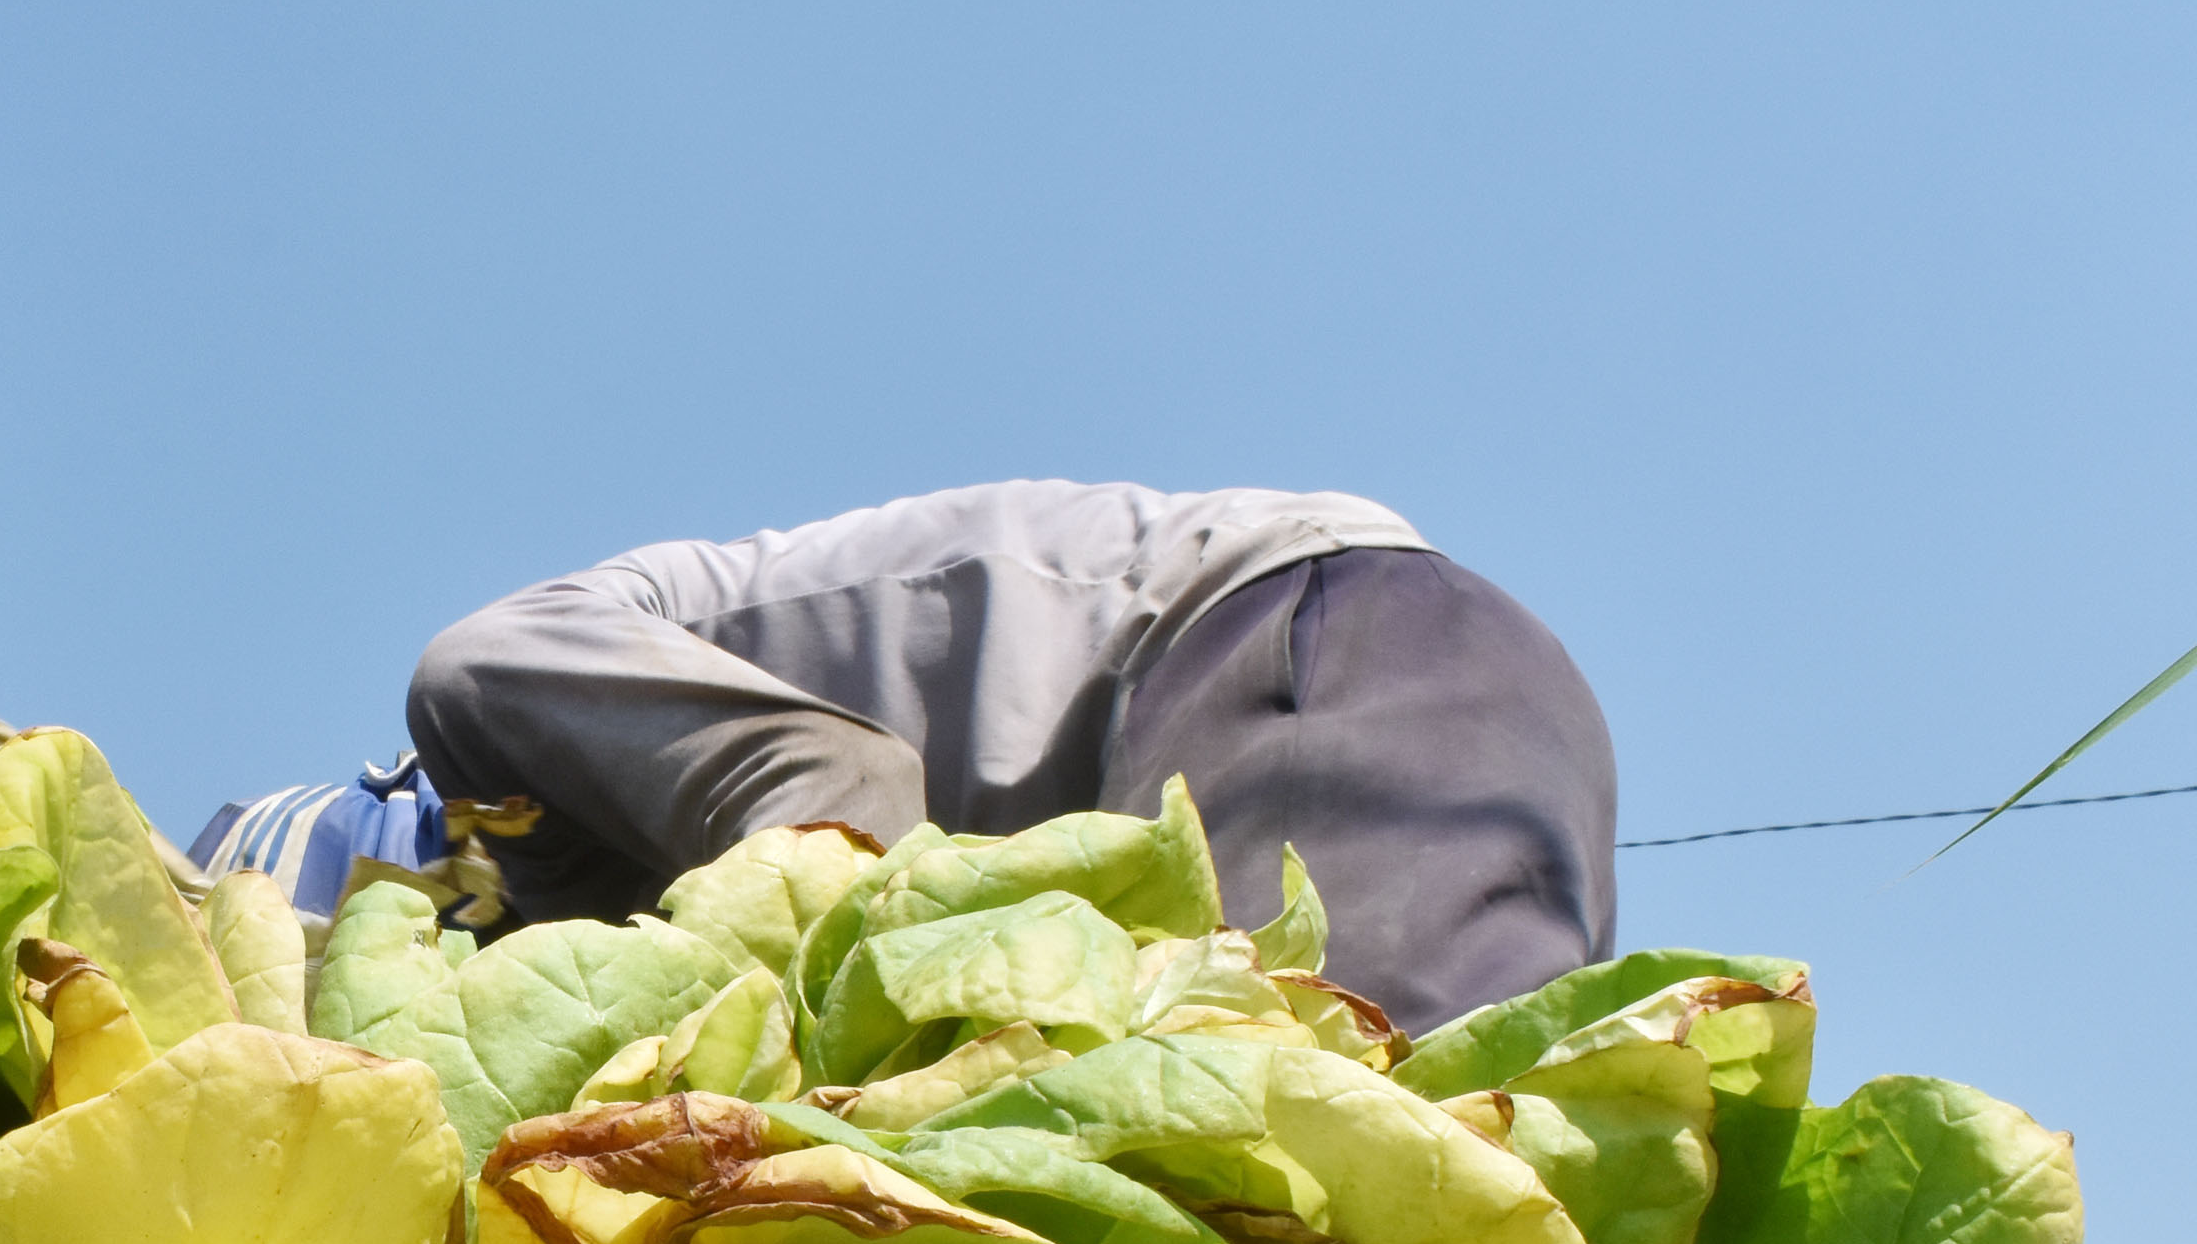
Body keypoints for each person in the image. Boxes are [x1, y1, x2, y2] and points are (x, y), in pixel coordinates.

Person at [388, 481, 1618, 1031]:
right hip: (1351, 701)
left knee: (1350, 1136)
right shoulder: (574, 876)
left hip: (1309, 644)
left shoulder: (495, 703)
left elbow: (831, 801)